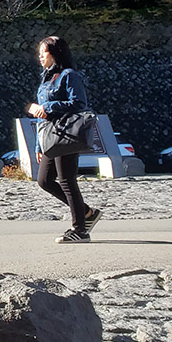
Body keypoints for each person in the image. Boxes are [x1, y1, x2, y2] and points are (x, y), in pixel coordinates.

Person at [27, 35, 102, 244]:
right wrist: (38, 143)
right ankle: (87, 213)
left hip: (67, 133)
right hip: (51, 136)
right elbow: (43, 117)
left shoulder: (69, 75)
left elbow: (79, 103)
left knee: (67, 180)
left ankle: (80, 229)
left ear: (55, 53)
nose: (40, 57)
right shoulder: (46, 78)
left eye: (44, 52)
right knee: (44, 180)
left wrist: (47, 107)